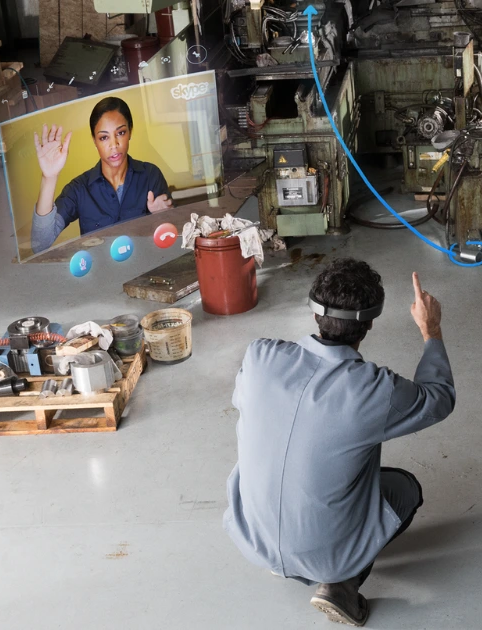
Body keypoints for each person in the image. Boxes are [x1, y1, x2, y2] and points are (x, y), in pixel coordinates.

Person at [224, 258, 455, 627]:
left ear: (315, 314)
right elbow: (438, 398)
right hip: (321, 557)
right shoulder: (374, 388)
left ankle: (283, 555)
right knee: (404, 488)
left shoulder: (259, 356)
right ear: (370, 324)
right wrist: (431, 330)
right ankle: (340, 584)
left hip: (252, 537)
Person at [30, 97, 173, 253]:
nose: (114, 145)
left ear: (130, 131)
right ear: (94, 140)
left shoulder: (150, 175)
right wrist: (49, 177)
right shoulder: (79, 189)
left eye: (121, 133)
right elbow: (40, 244)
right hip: (98, 275)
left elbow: (170, 239)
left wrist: (163, 217)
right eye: (104, 137)